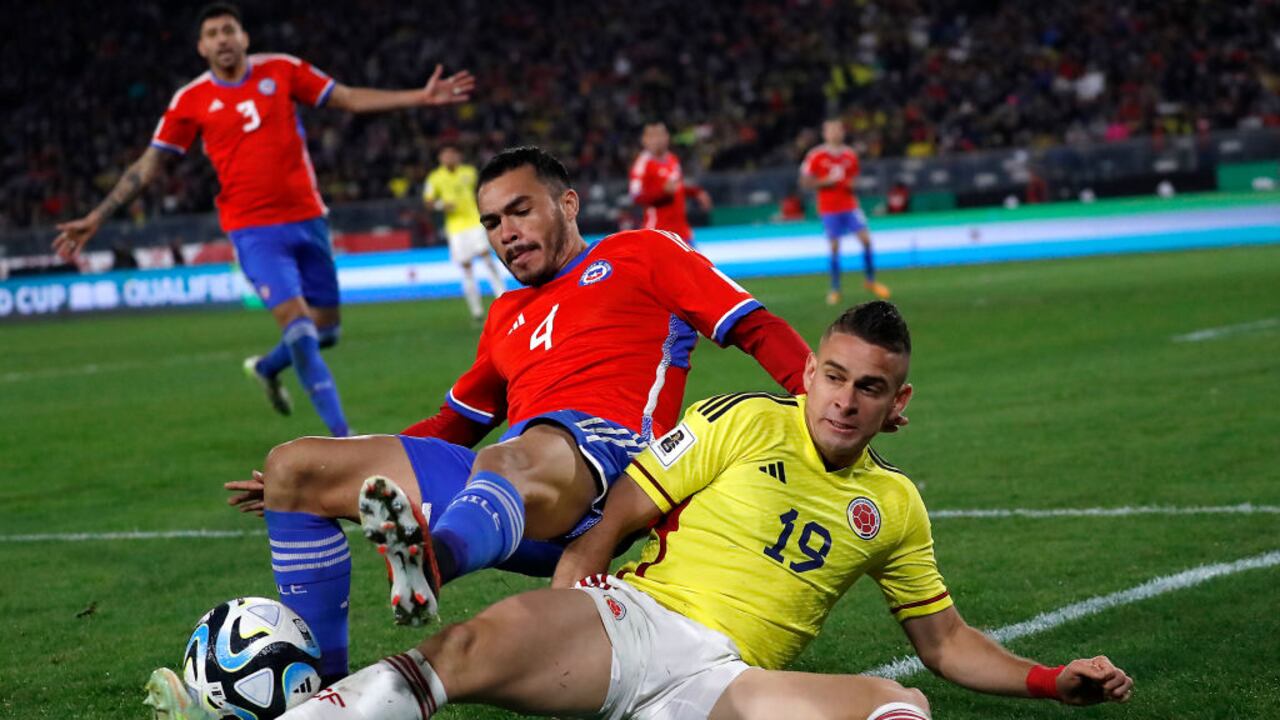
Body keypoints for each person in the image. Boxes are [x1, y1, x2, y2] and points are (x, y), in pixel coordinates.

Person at [150, 301, 1132, 720]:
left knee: (896, 708)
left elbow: (944, 644)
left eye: (866, 388)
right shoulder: (744, 419)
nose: (840, 397)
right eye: (830, 374)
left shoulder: (896, 506)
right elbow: (632, 497)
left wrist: (1051, 681)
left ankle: (445, 546)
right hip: (638, 622)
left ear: (894, 406)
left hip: (725, 685)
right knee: (456, 656)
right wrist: (588, 563)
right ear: (812, 374)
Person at [220, 146, 823, 682]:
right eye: (491, 222)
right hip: (510, 486)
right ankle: (320, 690)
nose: (505, 232)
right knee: (294, 468)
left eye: (520, 210)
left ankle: (435, 561)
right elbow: (454, 424)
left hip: (615, 473)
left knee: (513, 451)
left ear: (567, 203)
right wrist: (342, 472)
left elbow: (753, 326)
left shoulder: (643, 252)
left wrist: (819, 402)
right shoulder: (507, 313)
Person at [51, 2, 475, 436]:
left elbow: (347, 98)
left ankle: (269, 368)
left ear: (244, 37)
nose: (223, 39)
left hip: (309, 219)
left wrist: (419, 97)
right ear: (202, 47)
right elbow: (148, 164)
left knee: (325, 332)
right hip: (253, 230)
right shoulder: (191, 101)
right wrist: (98, 216)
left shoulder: (282, 69)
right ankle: (345, 441)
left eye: (229, 30)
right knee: (299, 324)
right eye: (213, 33)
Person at [801, 119, 890, 305]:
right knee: (834, 247)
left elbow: (854, 179)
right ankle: (835, 289)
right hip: (829, 207)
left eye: (838, 130)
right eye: (831, 130)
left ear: (842, 132)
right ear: (825, 134)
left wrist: (852, 184)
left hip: (850, 205)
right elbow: (805, 182)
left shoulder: (850, 155)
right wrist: (825, 182)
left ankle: (870, 281)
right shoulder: (816, 156)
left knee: (866, 240)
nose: (835, 133)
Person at [422, 145, 506, 323]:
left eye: (452, 154)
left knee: (487, 258)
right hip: (456, 229)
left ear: (458, 156)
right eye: (446, 155)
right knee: (467, 267)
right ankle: (476, 311)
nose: (449, 158)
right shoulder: (435, 178)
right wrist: (440, 205)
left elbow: (483, 190)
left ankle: (502, 298)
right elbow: (428, 202)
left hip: (475, 221)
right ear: (440, 158)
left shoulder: (470, 172)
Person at [629, 121, 712, 244]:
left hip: (682, 232)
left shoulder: (672, 159)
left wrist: (697, 193)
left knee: (699, 263)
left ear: (667, 137)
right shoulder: (642, 165)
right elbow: (636, 196)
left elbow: (678, 186)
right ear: (644, 140)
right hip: (658, 232)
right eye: (653, 136)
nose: (658, 140)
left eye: (661, 134)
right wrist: (662, 192)